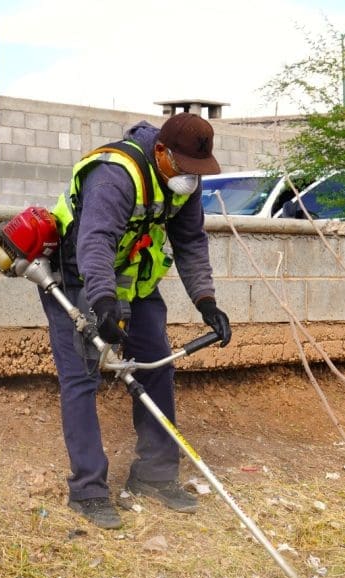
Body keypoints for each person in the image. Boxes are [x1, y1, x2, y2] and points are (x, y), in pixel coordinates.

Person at [41, 113, 232, 529]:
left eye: (199, 172)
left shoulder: (185, 184)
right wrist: (103, 302)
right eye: (184, 169)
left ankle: (155, 475)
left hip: (132, 280)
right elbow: (95, 239)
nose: (190, 179)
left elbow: (191, 241)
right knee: (82, 377)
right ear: (161, 152)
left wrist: (206, 301)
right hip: (76, 276)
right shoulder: (115, 174)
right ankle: (88, 490)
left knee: (158, 364)